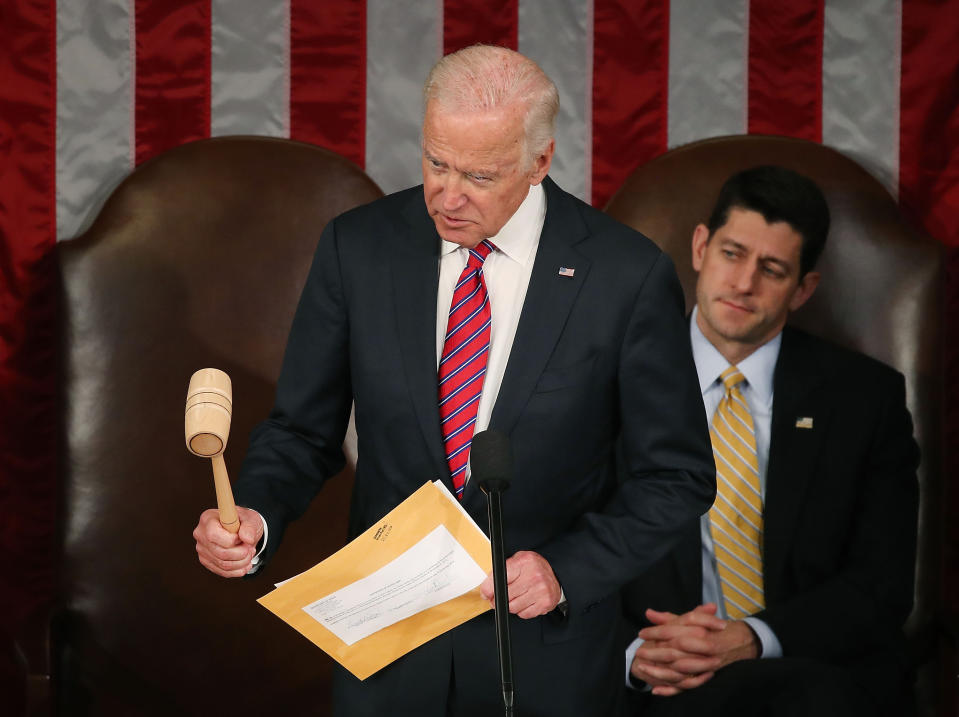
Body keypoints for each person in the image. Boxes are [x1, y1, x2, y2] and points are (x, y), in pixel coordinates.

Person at [193, 45, 715, 717]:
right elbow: (301, 430)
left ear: (539, 161)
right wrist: (256, 517)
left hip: (543, 661)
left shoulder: (624, 275)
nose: (447, 193)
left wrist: (565, 570)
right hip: (388, 654)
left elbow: (677, 476)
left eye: (478, 174)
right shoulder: (359, 247)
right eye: (436, 162)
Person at [622, 165, 920, 717]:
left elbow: (881, 584)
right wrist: (634, 654)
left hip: (812, 678)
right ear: (700, 247)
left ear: (803, 288)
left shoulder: (866, 400)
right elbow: (561, 547)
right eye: (732, 254)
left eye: (773, 268)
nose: (743, 284)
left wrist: (754, 637)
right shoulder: (609, 385)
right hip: (656, 683)